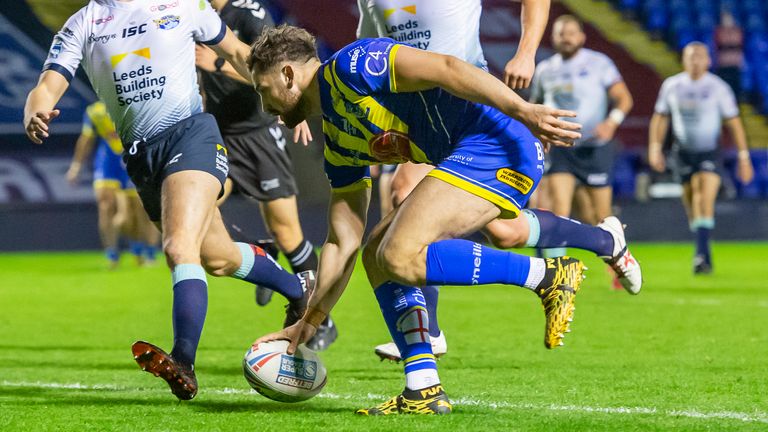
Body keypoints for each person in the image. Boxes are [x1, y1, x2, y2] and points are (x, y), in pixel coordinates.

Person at [249, 24, 621, 415]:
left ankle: (546, 275)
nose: (264, 105)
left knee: (398, 253)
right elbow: (343, 241)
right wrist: (311, 320)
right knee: (377, 253)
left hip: (498, 141)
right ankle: (423, 388)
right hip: (465, 154)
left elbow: (446, 67)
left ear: (287, 74)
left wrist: (523, 109)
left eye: (262, 90)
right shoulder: (340, 143)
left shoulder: (350, 67)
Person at [25, 0, 313, 401]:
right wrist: (35, 111)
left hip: (190, 135)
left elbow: (240, 53)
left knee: (180, 248)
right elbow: (48, 84)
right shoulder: (83, 23)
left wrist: (293, 97)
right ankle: (299, 291)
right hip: (142, 158)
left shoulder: (183, 6)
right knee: (218, 257)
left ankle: (183, 360)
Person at [357, 1, 642, 362]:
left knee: (414, 200)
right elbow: (367, 49)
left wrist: (526, 53)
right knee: (504, 233)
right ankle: (604, 238)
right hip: (419, 119)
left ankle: (431, 330)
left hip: (468, 106)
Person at [195, 0, 336, 351]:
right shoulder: (199, 15)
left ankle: (321, 317)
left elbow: (271, 69)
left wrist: (214, 63)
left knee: (288, 232)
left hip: (257, 135)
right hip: (219, 133)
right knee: (198, 207)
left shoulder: (249, 12)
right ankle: (259, 254)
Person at [530, 15, 634, 251]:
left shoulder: (600, 63)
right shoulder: (545, 69)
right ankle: (557, 273)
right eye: (560, 33)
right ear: (553, 38)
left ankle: (619, 262)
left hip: (594, 146)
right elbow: (534, 107)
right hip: (561, 147)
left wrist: (611, 122)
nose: (566, 38)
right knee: (559, 210)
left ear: (582, 37)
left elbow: (624, 99)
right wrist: (539, 133)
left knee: (600, 215)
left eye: (571, 32)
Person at [649, 42, 753, 274]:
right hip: (682, 153)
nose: (695, 61)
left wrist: (744, 156)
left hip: (709, 152)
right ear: (684, 60)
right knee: (691, 201)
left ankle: (701, 254)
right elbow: (660, 117)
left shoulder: (718, 87)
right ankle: (703, 241)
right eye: (690, 57)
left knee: (702, 193)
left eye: (700, 57)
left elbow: (734, 123)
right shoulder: (672, 85)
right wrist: (655, 148)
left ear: (708, 61)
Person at [66, 101, 160, 268]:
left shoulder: (138, 105)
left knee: (138, 211)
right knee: (105, 204)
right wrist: (76, 166)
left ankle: (145, 249)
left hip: (133, 158)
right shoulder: (96, 111)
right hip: (108, 162)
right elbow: (86, 138)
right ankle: (112, 253)